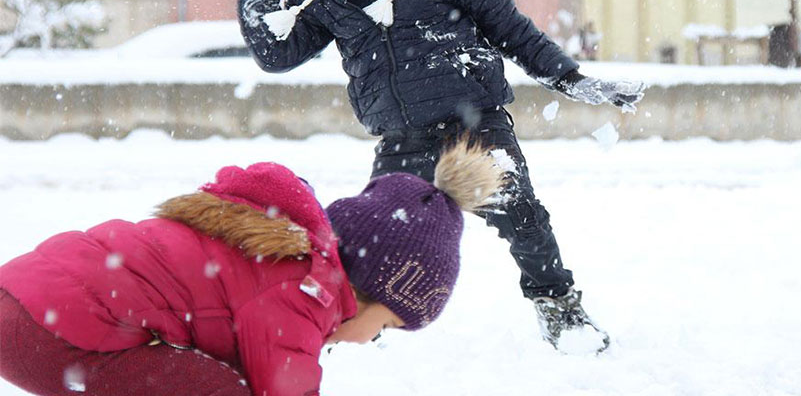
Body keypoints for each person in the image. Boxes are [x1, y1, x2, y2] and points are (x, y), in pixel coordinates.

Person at [219, 0, 644, 352]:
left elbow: (511, 29)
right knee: (368, 241)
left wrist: (570, 78)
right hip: (402, 137)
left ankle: (559, 308)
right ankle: (352, 318)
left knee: (524, 221)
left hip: (475, 128)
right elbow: (277, 53)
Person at [0, 140, 502, 396]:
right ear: (368, 287)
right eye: (389, 324)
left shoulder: (281, 259)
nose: (374, 339)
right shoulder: (304, 290)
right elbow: (285, 385)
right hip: (47, 335)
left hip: (25, 304)